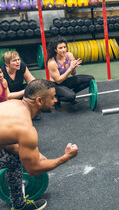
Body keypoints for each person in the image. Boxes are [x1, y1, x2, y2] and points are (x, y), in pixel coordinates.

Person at [0, 79, 79, 210]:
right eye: (52, 97)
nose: (56, 100)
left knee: (13, 160)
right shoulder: (26, 128)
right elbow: (33, 169)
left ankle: (19, 205)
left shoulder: (13, 104)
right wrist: (65, 157)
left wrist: (36, 152)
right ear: (39, 101)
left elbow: (5, 142)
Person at [46, 36, 94, 110]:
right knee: (71, 96)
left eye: (65, 47)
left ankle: (69, 94)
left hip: (65, 80)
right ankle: (57, 99)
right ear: (55, 49)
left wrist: (74, 67)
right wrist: (70, 68)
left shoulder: (69, 55)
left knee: (90, 79)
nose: (64, 50)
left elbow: (73, 73)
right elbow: (58, 80)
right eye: (60, 48)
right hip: (56, 85)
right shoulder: (52, 62)